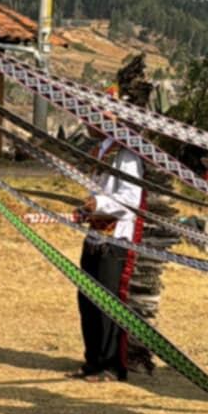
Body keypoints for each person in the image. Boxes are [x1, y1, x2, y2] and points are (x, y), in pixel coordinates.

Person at [72, 127, 143, 382]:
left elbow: (130, 199)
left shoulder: (126, 154)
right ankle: (93, 359)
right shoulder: (102, 150)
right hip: (95, 236)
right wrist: (87, 208)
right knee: (88, 301)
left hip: (115, 240)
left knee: (107, 303)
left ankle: (111, 364)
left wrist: (99, 205)